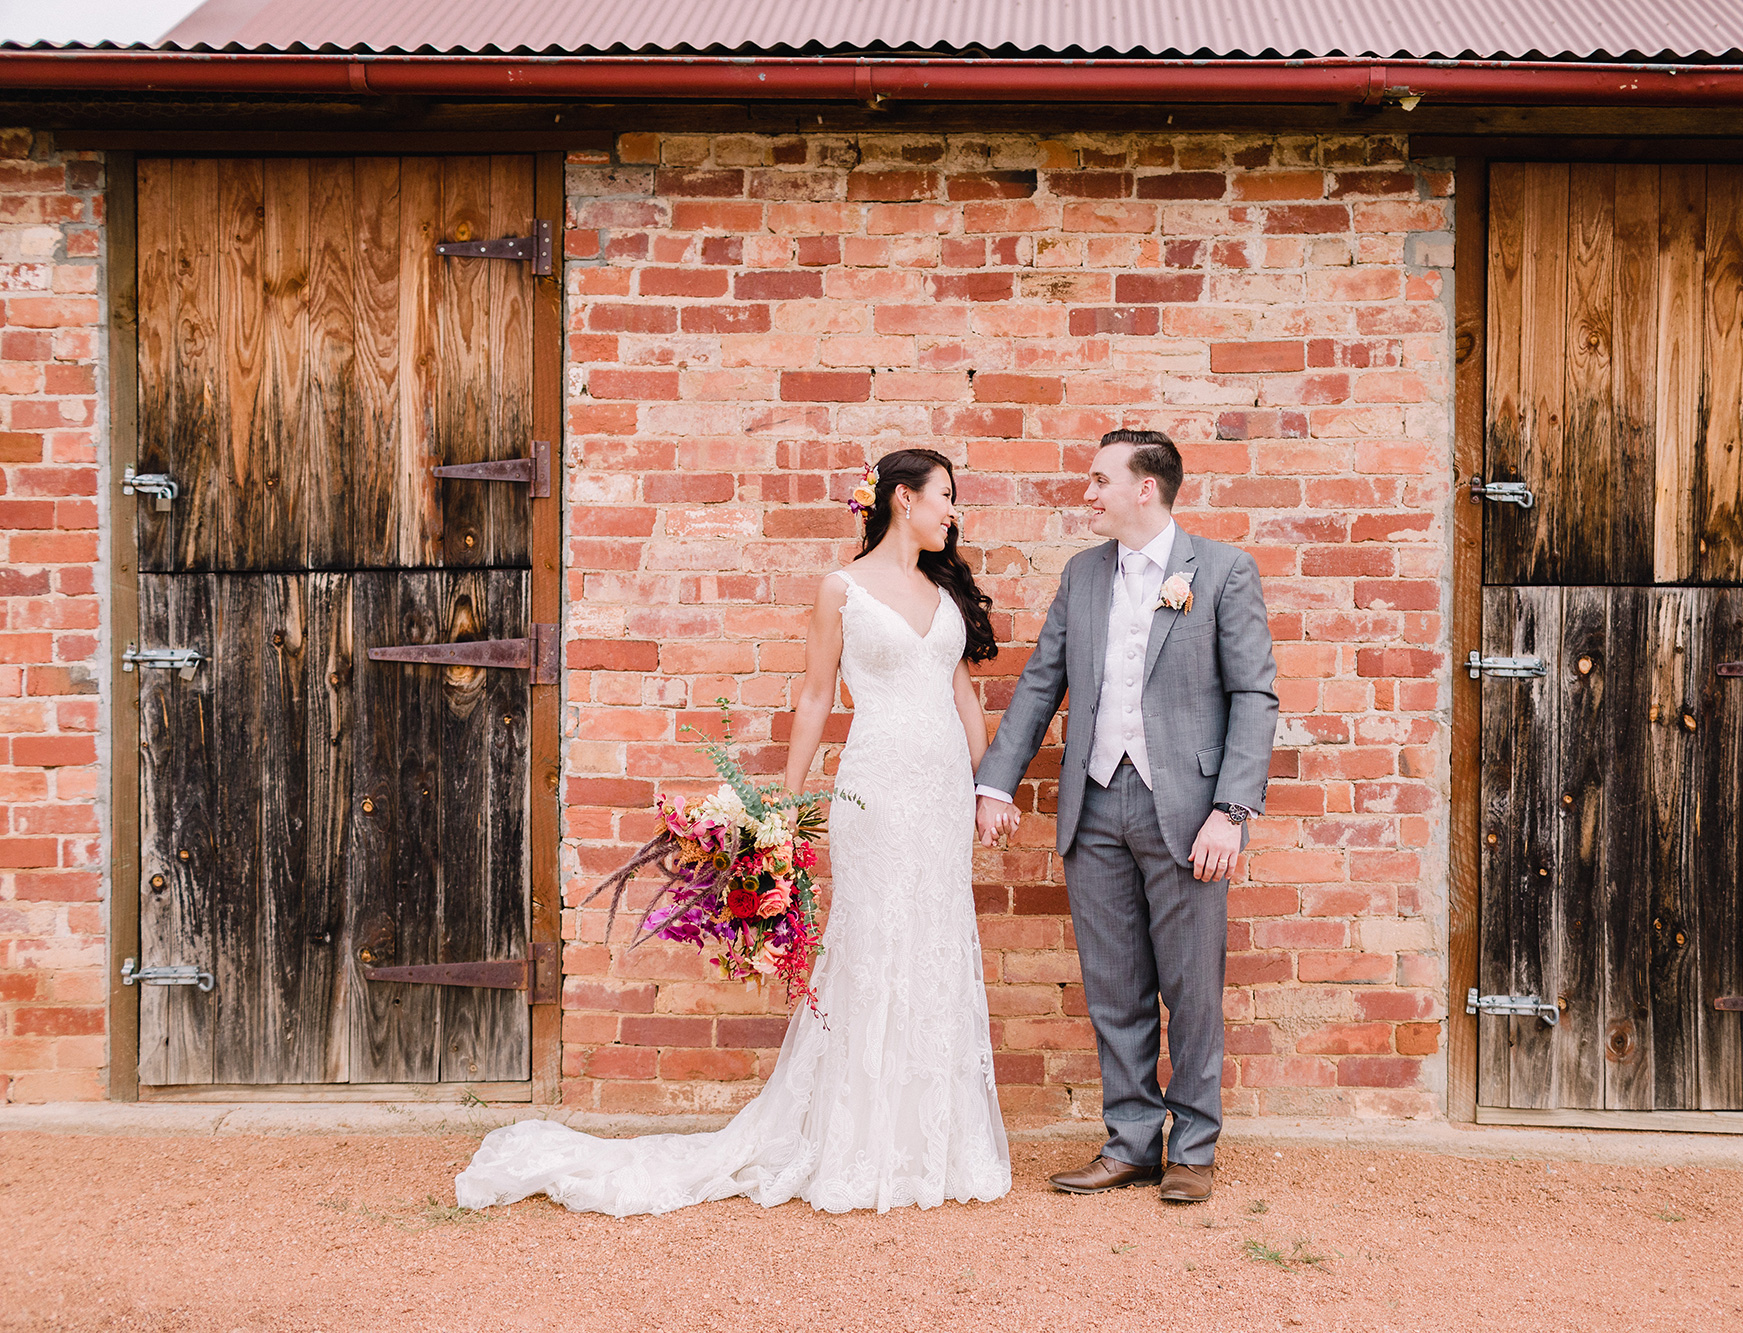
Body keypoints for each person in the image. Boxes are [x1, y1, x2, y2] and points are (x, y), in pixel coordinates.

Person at [455, 448, 1013, 1217]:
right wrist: (780, 807)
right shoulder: (841, 590)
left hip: (943, 790)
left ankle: (931, 1146)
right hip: (876, 788)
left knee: (938, 942)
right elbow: (817, 696)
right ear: (901, 500)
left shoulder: (944, 592)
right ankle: (860, 1146)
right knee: (875, 942)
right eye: (945, 496)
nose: (954, 510)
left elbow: (963, 696)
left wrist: (990, 786)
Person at [974, 429, 1278, 1205]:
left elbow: (1254, 696)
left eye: (1100, 478)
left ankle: (1195, 1147)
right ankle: (1132, 1141)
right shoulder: (1082, 575)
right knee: (1114, 987)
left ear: (1146, 487)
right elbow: (1041, 683)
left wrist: (1231, 811)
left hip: (1189, 811)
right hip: (1096, 803)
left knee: (1193, 989)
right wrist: (997, 784)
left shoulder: (1222, 570)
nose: (1089, 492)